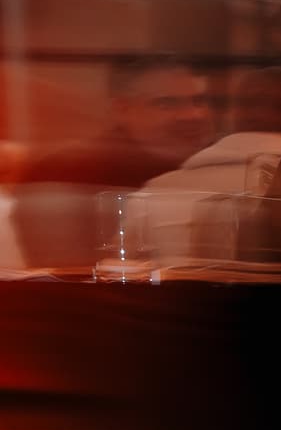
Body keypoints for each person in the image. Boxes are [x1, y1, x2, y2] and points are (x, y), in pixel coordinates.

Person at [12, 55, 222, 271]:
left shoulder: (222, 169)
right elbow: (66, 278)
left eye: (199, 101)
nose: (193, 115)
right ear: (122, 109)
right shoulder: (64, 172)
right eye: (166, 103)